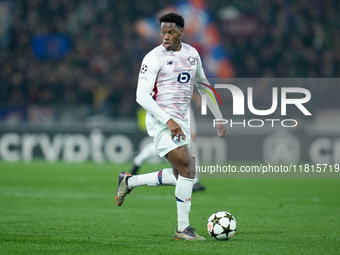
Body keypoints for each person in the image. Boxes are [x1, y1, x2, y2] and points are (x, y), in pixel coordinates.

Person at [116, 12, 226, 240]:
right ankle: (182, 229)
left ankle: (130, 181)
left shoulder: (192, 54)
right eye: (162, 32)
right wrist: (167, 120)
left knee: (183, 175)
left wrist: (218, 115)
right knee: (187, 169)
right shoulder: (153, 58)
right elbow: (142, 96)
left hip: (181, 121)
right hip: (162, 121)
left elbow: (203, 84)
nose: (165, 36)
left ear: (181, 32)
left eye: (171, 32)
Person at [129, 106, 206, 192]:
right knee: (166, 148)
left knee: (179, 148)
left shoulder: (181, 97)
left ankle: (193, 181)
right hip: (168, 121)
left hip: (177, 122)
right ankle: (192, 181)